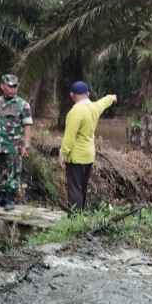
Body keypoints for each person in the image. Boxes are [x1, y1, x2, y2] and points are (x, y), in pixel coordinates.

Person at [57, 81, 117, 212]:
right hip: (89, 155)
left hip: (76, 156)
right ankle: (81, 217)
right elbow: (104, 101)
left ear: (71, 95)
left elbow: (69, 137)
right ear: (88, 94)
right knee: (82, 187)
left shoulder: (75, 112)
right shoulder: (94, 107)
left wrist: (62, 154)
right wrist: (112, 97)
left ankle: (74, 218)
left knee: (74, 188)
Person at [0, 74, 33, 209]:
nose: (13, 89)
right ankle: (0, 197)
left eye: (15, 86)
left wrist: (27, 145)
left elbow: (27, 125)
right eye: (10, 86)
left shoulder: (22, 104)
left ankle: (10, 199)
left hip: (14, 146)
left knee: (13, 171)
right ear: (2, 86)